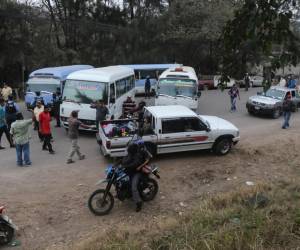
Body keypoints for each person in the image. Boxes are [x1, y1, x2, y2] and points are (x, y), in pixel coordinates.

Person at [122, 143, 148, 212]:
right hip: (130, 172)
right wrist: (118, 163)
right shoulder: (130, 154)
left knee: (134, 188)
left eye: (129, 150)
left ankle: (139, 203)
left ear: (132, 150)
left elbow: (134, 164)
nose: (128, 151)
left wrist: (126, 166)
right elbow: (125, 159)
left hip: (137, 173)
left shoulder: (137, 156)